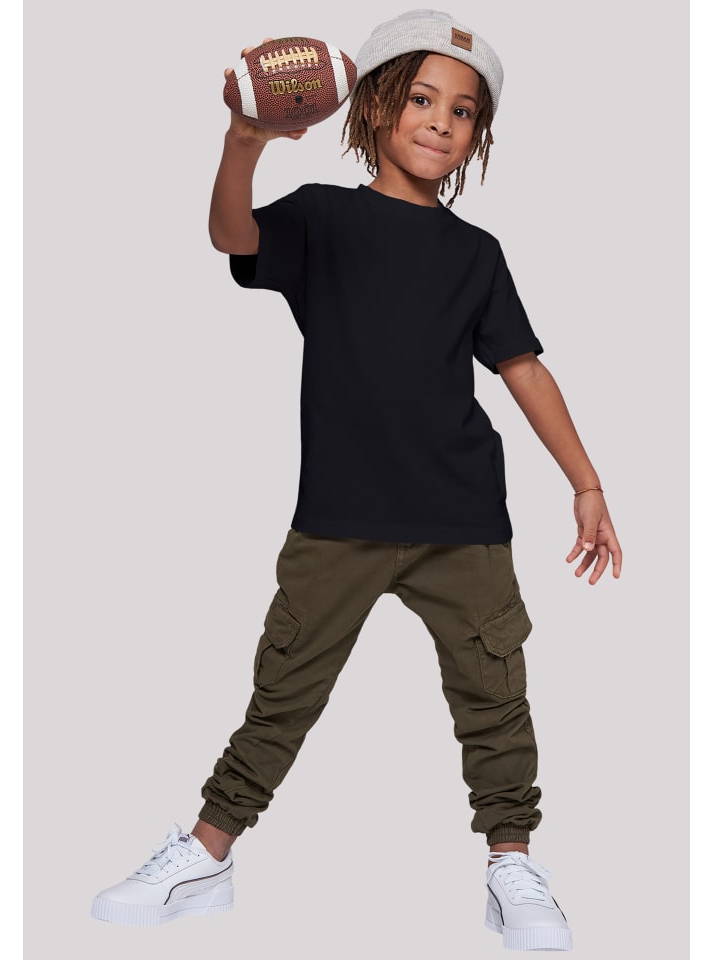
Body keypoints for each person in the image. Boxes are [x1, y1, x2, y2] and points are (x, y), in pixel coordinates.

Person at [91, 9, 621, 951]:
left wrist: (586, 483)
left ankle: (511, 864)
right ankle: (207, 855)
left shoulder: (477, 253)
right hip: (339, 516)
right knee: (283, 690)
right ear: (373, 107)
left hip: (464, 517)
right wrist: (245, 140)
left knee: (495, 696)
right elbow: (231, 235)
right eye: (420, 98)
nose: (440, 120)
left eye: (462, 110)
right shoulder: (323, 218)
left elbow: (523, 368)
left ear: (477, 136)